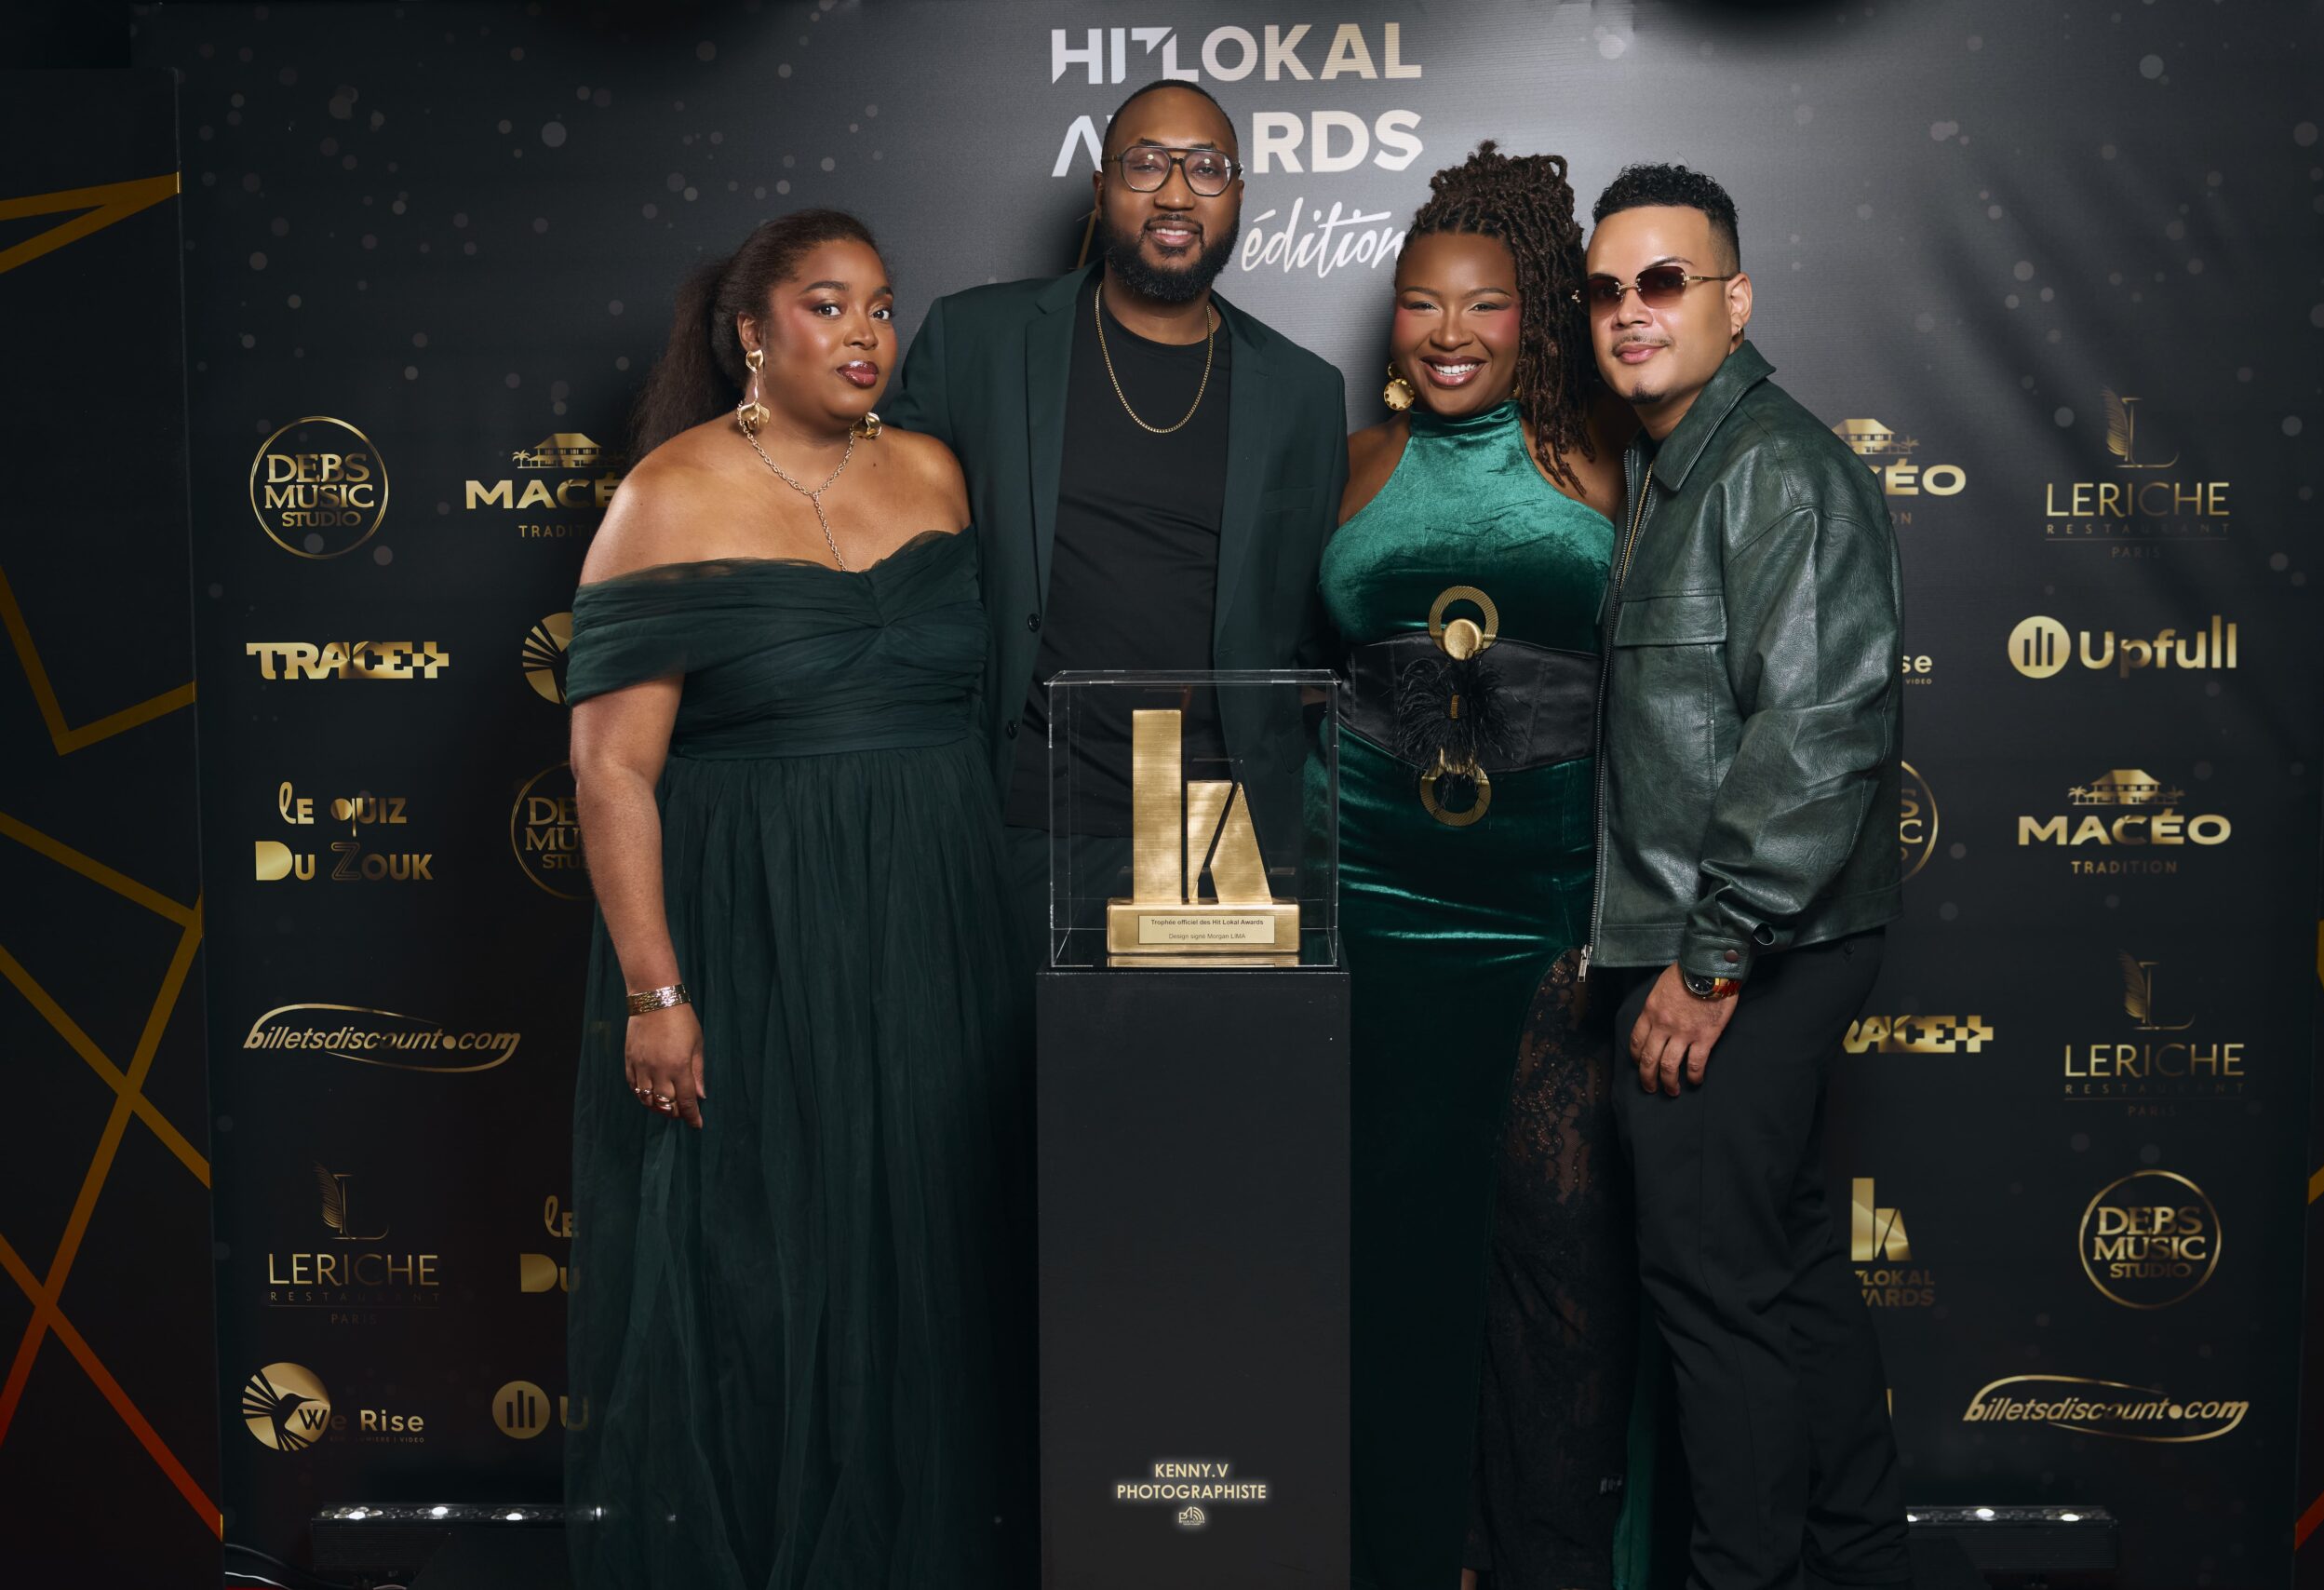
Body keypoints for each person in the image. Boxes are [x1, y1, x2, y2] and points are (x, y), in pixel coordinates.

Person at [561, 209, 1030, 1589]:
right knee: (773, 1265)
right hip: (761, 926)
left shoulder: (936, 473)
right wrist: (657, 989)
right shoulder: (668, 494)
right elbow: (609, 769)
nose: (865, 333)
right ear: (751, 334)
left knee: (923, 1253)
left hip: (936, 916)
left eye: (881, 306)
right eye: (828, 306)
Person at [1326, 141, 1651, 1590]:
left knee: (1560, 1251)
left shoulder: (1605, 455)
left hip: (1551, 899)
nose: (1448, 332)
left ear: (1536, 318)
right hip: (1373, 897)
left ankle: (1547, 1558)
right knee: (1394, 1241)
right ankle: (1412, 1548)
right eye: (1420, 303)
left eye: (1485, 303)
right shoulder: (1350, 464)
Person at [1582, 163, 1911, 1590]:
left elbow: (1823, 730)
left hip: (1742, 949)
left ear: (1737, 298)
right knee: (1785, 1268)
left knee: (1714, 1295)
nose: (1631, 310)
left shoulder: (1773, 467)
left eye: (1664, 281)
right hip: (1736, 937)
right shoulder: (1678, 469)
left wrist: (1712, 955)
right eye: (1606, 288)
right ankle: (1860, 1563)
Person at [881, 78, 1347, 958]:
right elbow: (894, 572)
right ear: (1101, 187)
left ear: (1238, 194)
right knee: (1006, 1048)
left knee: (1210, 1050)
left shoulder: (1303, 391)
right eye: (1147, 164)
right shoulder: (977, 341)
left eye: (1206, 168)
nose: (1176, 193)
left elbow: (1303, 631)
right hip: (1020, 808)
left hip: (1216, 822)